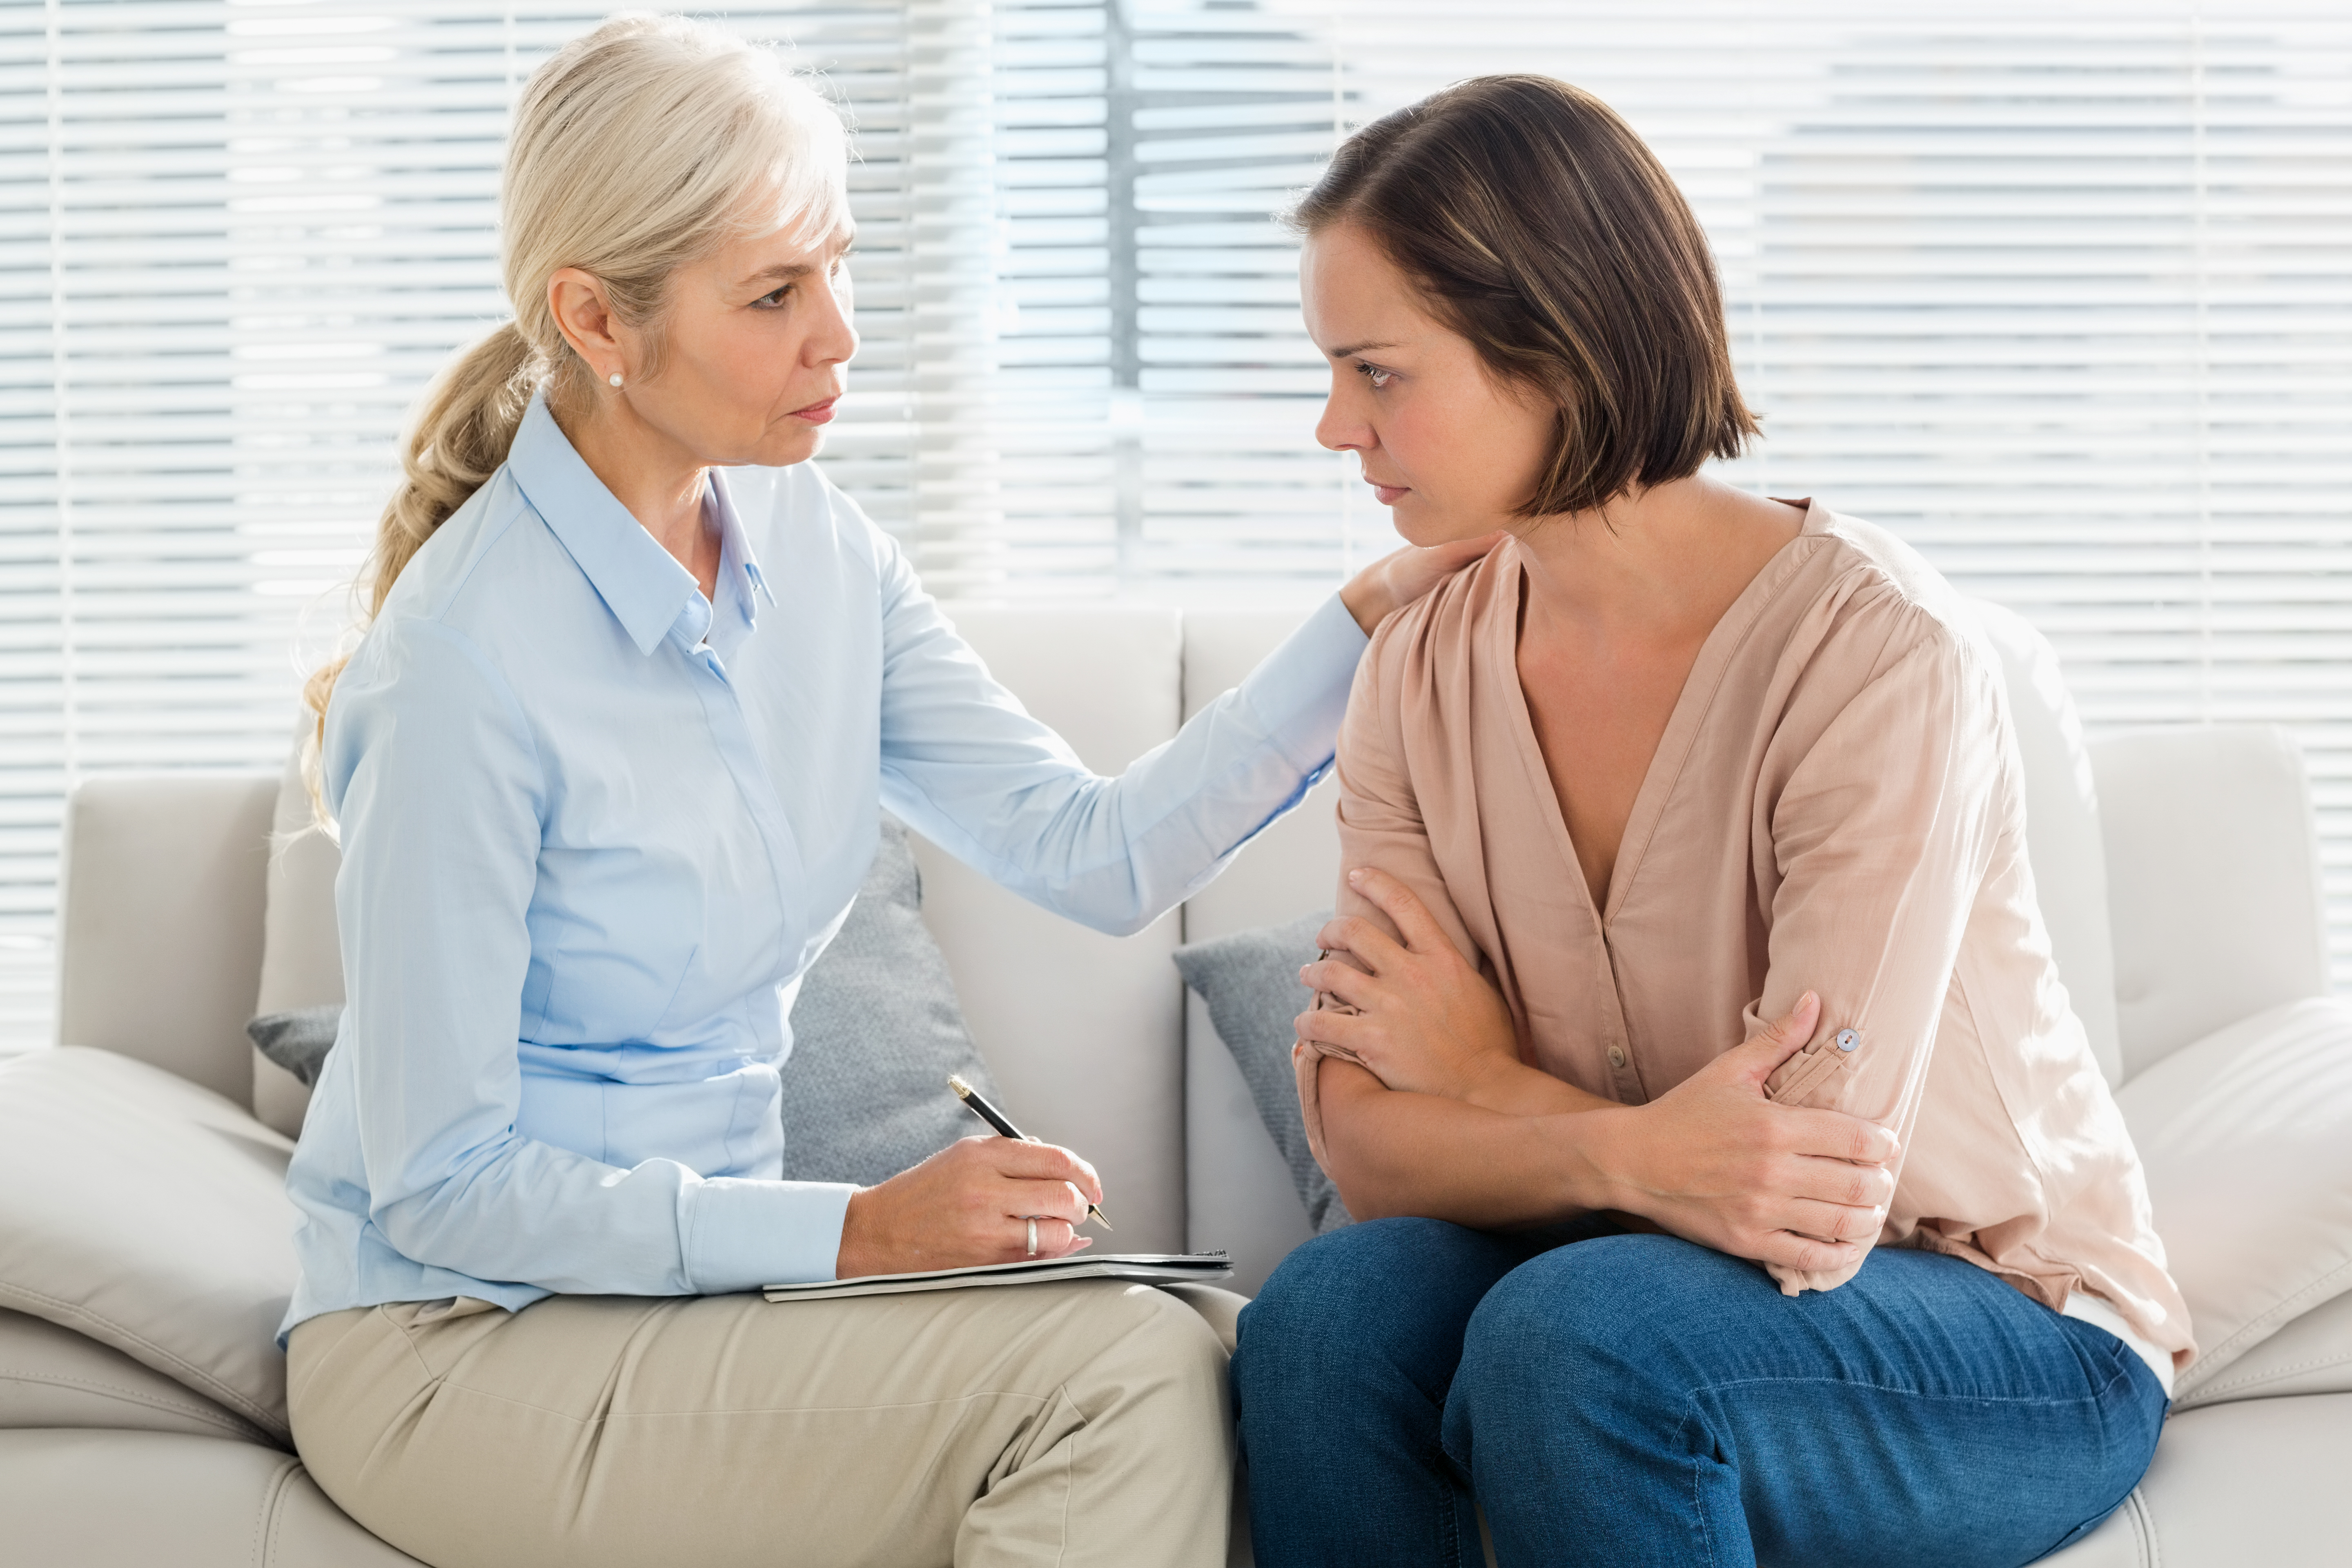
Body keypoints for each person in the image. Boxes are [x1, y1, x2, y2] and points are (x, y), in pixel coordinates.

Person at [276, 17, 1485, 1568]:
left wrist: (1366, 620)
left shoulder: (818, 553)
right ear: (598, 318)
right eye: (774, 293)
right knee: (1126, 1380)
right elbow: (443, 1187)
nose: (838, 335)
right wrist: (854, 1232)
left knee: (1191, 1335)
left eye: (836, 267)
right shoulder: (461, 666)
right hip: (455, 1346)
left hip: (678, 1306)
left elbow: (1093, 850)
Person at [1230, 75, 2192, 1568]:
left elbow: (1804, 1182)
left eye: (1376, 372)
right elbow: (1368, 1141)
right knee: (1324, 1320)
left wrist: (1484, 1078)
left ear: (1550, 346)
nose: (1333, 427)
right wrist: (1630, 1159)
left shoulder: (1875, 655)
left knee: (1581, 1332)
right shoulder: (1420, 669)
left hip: (1996, 1322)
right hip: (1629, 1276)